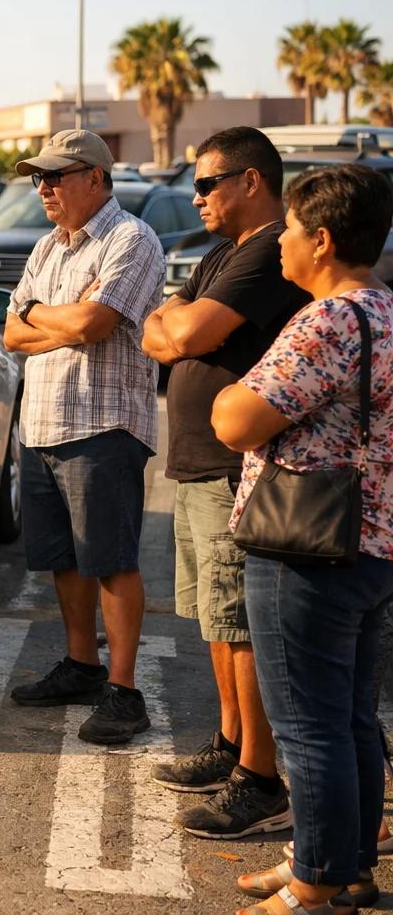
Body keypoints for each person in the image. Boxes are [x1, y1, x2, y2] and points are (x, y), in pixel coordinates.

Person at [213, 164, 393, 915]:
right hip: (374, 543)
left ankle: (316, 884)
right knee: (352, 718)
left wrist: (229, 391)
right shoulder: (385, 311)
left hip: (305, 549)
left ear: (320, 240)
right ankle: (342, 867)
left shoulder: (326, 321)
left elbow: (236, 420)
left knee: (307, 727)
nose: (280, 241)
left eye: (288, 229)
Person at [140, 127, 309, 839]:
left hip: (235, 470)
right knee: (216, 621)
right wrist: (172, 324)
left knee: (241, 625)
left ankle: (260, 780)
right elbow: (159, 327)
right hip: (198, 464)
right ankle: (233, 744)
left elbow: (177, 336)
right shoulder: (221, 254)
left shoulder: (269, 252)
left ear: (251, 182)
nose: (197, 195)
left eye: (209, 183)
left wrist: (173, 325)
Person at [2, 129, 165, 745]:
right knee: (63, 560)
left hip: (103, 425)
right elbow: (10, 333)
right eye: (37, 178)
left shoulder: (131, 239)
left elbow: (96, 323)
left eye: (55, 176)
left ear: (95, 178)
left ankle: (125, 692)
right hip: (43, 423)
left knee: (112, 561)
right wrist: (57, 322)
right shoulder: (48, 246)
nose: (42, 187)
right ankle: (82, 666)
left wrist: (41, 314)